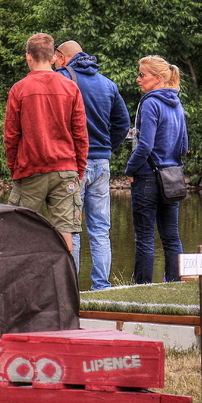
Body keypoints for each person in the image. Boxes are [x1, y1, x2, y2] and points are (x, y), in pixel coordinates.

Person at [54, 40, 130, 290]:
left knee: (71, 227)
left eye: (56, 59)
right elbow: (122, 123)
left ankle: (71, 287)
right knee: (100, 229)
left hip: (74, 164)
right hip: (101, 163)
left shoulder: (61, 79)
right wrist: (108, 146)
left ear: (62, 57)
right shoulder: (107, 83)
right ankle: (101, 286)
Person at [3, 33, 88, 251]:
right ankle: (67, 284)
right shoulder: (70, 88)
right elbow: (80, 135)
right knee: (64, 231)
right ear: (53, 58)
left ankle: (25, 283)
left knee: (20, 230)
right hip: (65, 168)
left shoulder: (19, 89)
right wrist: (78, 171)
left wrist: (15, 170)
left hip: (30, 170)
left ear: (28, 57)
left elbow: (11, 135)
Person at [124, 56, 188, 284]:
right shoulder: (177, 104)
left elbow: (145, 145)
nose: (138, 79)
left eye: (142, 75)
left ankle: (142, 287)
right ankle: (174, 283)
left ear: (158, 78)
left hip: (147, 178)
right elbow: (184, 146)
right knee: (171, 237)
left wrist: (129, 169)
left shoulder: (150, 102)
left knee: (145, 238)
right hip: (172, 177)